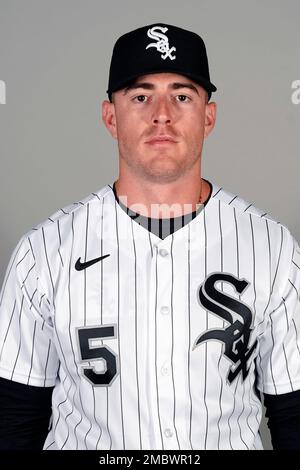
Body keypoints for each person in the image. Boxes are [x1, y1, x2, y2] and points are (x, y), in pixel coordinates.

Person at [0, 22, 300, 451]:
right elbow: (15, 417)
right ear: (110, 116)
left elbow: (293, 414)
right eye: (140, 96)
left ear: (208, 116)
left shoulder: (272, 247)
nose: (163, 113)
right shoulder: (43, 252)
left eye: (182, 96)